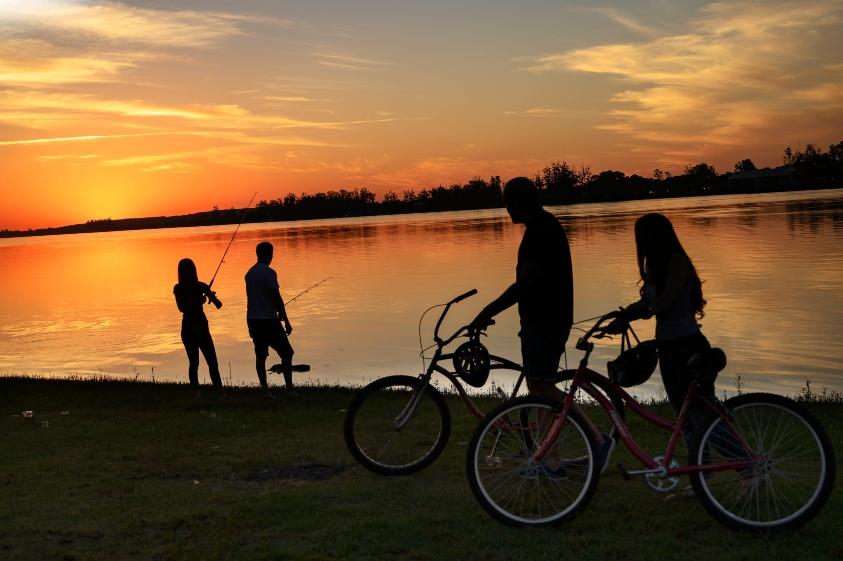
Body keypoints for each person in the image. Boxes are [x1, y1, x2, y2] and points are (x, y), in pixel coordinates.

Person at [470, 176, 615, 472]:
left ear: (521, 202)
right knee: (540, 389)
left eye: (508, 204)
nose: (507, 211)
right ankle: (552, 459)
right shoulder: (541, 227)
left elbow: (526, 284)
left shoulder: (542, 231)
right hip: (542, 320)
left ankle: (596, 441)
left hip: (547, 322)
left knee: (544, 390)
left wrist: (488, 310)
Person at [605, 212, 712, 449]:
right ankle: (702, 476)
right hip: (667, 348)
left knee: (703, 418)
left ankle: (746, 468)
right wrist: (623, 316)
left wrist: (644, 312)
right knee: (684, 418)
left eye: (642, 237)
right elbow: (649, 302)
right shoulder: (655, 267)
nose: (640, 243)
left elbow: (668, 298)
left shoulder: (676, 262)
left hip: (688, 347)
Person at [245, 241, 296, 398]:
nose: (272, 256)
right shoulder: (269, 273)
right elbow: (276, 297)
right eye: (272, 254)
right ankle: (289, 390)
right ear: (268, 254)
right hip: (268, 321)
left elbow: (258, 297)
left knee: (261, 356)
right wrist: (286, 319)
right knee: (287, 353)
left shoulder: (249, 273)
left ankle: (265, 390)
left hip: (253, 319)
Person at [173, 258, 227, 400]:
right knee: (211, 362)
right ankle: (220, 393)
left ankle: (197, 394)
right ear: (194, 271)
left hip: (187, 328)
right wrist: (205, 299)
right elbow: (219, 305)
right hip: (201, 327)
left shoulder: (178, 288)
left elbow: (182, 308)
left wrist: (210, 296)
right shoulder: (200, 286)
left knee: (194, 363)